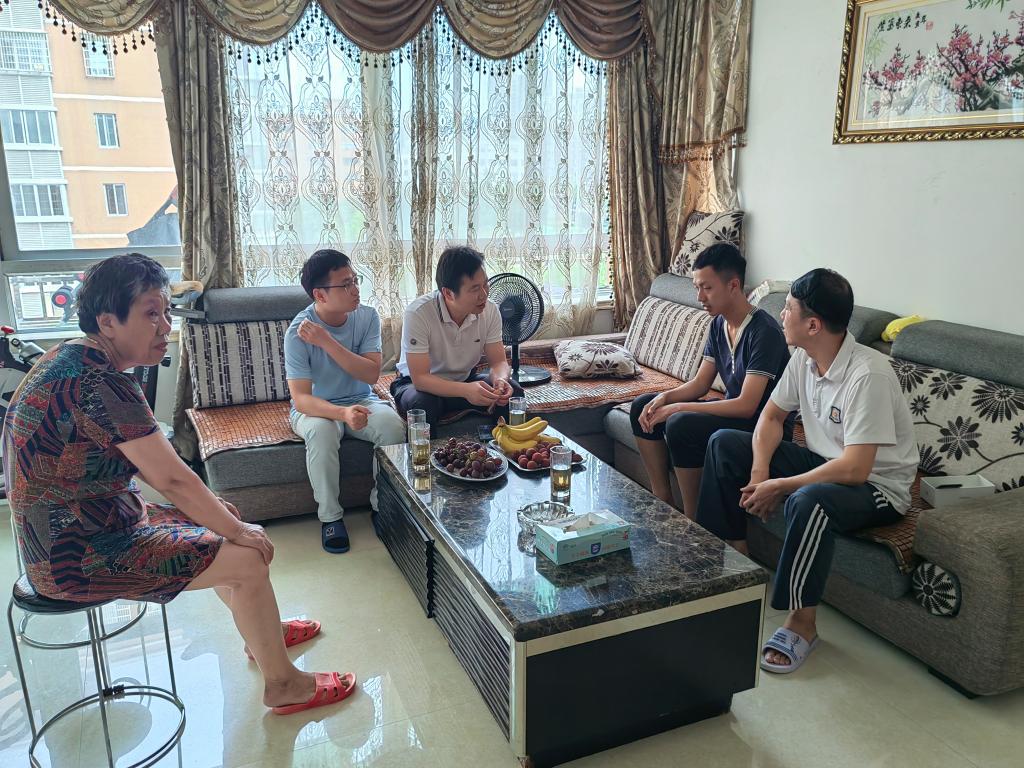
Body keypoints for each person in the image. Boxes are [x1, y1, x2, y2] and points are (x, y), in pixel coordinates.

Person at [1, 254, 354, 715]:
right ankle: (283, 684)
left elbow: (145, 467)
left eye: (166, 311)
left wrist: (217, 515)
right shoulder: (102, 381)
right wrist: (237, 531)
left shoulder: (70, 358)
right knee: (247, 556)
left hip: (74, 532)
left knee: (220, 517)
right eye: (151, 313)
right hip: (78, 555)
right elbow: (169, 477)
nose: (165, 325)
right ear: (107, 322)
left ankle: (261, 632)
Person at [696, 268, 917, 674]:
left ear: (813, 325)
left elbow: (856, 468)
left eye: (788, 308)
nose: (781, 315)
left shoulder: (868, 375)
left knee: (807, 500)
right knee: (725, 443)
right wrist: (760, 473)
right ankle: (727, 555)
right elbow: (771, 417)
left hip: (877, 486)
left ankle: (802, 621)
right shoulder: (804, 358)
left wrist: (781, 484)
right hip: (824, 462)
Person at [629, 243, 791, 519]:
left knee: (681, 423)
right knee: (643, 406)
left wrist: (678, 408)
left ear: (733, 285)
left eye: (707, 287)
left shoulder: (764, 332)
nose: (700, 296)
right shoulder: (718, 324)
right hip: (733, 413)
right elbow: (701, 384)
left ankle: (693, 520)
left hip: (761, 427)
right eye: (697, 287)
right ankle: (663, 501)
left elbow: (747, 406)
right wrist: (664, 398)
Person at [285, 249, 406, 554]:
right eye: (346, 284)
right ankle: (330, 518)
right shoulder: (298, 332)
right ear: (320, 295)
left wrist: (326, 341)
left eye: (355, 280)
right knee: (322, 432)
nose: (355, 290)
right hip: (317, 408)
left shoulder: (367, 316)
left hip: (362, 398)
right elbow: (301, 399)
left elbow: (371, 374)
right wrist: (342, 413)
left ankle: (383, 507)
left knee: (392, 426)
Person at [391, 245, 524, 427]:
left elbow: (499, 362)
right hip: (419, 386)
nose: (484, 294)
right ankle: (430, 448)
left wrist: (500, 380)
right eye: (475, 289)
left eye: (485, 284)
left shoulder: (490, 310)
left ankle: (503, 444)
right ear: (448, 293)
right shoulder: (418, 313)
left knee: (513, 391)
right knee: (422, 404)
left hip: (465, 380)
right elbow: (420, 378)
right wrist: (465, 391)